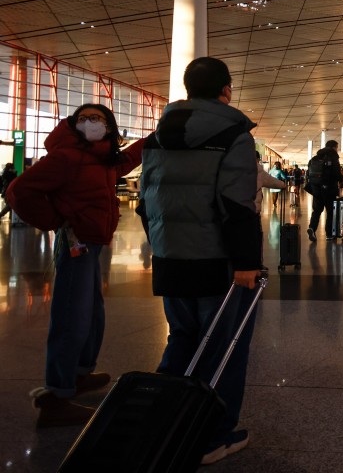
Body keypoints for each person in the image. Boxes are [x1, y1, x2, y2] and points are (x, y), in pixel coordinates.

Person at [138, 56, 262, 465]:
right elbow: (236, 205)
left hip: (171, 259)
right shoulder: (234, 135)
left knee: (182, 340)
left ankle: (159, 420)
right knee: (224, 349)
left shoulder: (157, 138)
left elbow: (145, 203)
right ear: (226, 91)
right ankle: (212, 436)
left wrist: (160, 245)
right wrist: (247, 263)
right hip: (218, 262)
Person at [6, 104, 145, 426]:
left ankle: (79, 374)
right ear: (73, 125)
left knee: (91, 311)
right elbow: (19, 191)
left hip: (92, 245)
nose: (90, 123)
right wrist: (55, 220)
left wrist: (156, 136)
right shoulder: (67, 156)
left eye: (97, 119)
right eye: (83, 118)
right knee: (72, 315)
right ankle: (57, 395)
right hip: (76, 244)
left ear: (109, 128)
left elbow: (123, 163)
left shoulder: (99, 158)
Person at [305, 140, 342, 241]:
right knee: (330, 211)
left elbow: (308, 173)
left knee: (317, 210)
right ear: (334, 147)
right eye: (337, 147)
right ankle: (329, 234)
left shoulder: (315, 158)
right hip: (329, 188)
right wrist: (341, 180)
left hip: (316, 188)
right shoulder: (333, 157)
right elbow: (336, 173)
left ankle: (312, 227)